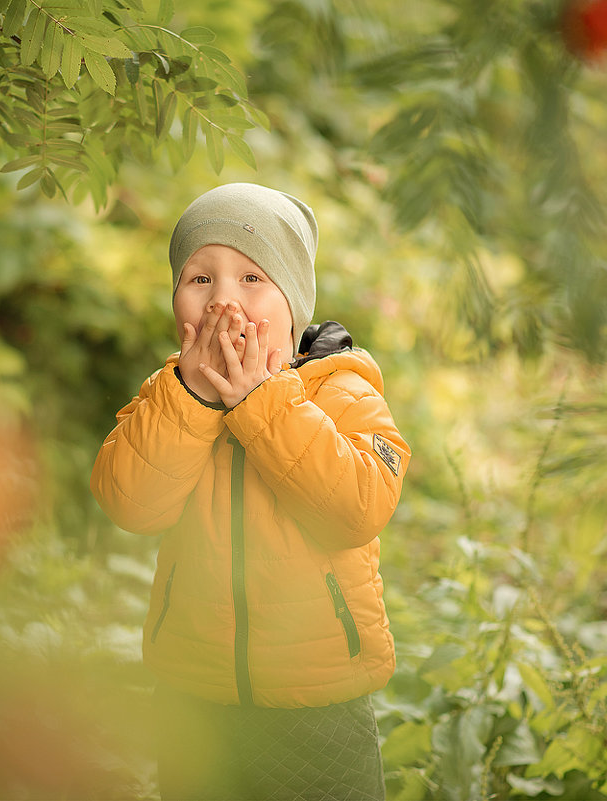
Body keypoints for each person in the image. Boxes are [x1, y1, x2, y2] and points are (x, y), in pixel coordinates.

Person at [90, 183, 410, 801]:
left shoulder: (344, 395)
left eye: (252, 279)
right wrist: (193, 399)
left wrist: (261, 401)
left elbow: (356, 509)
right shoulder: (170, 400)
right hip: (194, 694)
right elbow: (130, 503)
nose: (224, 303)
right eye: (200, 279)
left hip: (317, 704)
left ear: (293, 303)